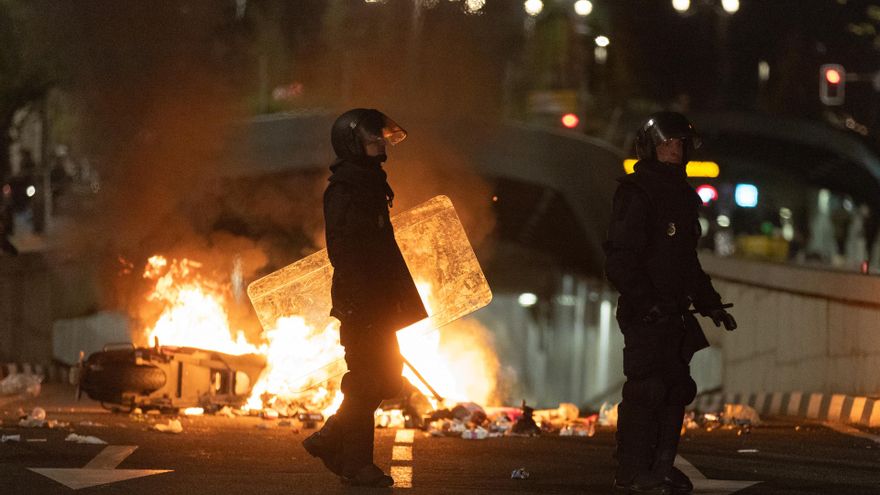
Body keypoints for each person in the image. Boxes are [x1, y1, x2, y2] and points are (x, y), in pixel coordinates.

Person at [604, 112, 737, 494]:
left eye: (679, 145)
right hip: (646, 312)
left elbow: (685, 261)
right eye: (666, 144)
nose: (673, 151)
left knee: (677, 387)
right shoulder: (636, 192)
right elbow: (621, 260)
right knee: (647, 388)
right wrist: (647, 303)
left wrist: (710, 303)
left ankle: (662, 466)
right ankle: (631, 470)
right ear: (650, 148)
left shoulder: (682, 195)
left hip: (676, 312)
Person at [303, 108, 427, 487]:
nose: (380, 141)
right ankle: (357, 464)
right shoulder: (346, 188)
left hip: (378, 301)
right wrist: (359, 303)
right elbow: (344, 250)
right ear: (352, 142)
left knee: (386, 380)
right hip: (362, 302)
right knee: (366, 380)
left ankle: (330, 438)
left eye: (380, 135)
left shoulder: (370, 183)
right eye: (372, 136)